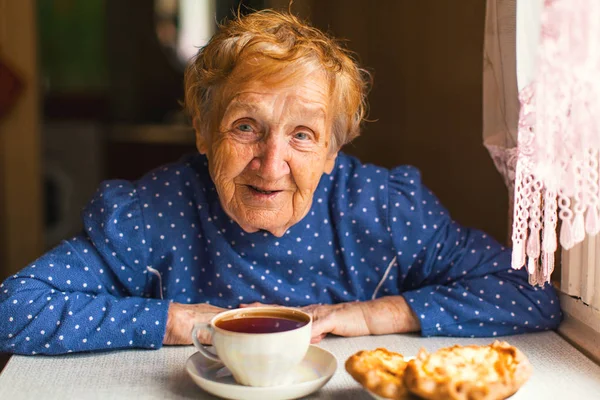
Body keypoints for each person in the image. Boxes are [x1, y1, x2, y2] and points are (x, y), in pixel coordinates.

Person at [0, 10, 560, 355]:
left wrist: (371, 315)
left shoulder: (382, 210)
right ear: (202, 130)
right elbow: (14, 309)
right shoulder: (154, 212)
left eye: (302, 136)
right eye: (245, 127)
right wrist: (183, 321)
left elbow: (530, 294)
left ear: (335, 150)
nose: (270, 163)